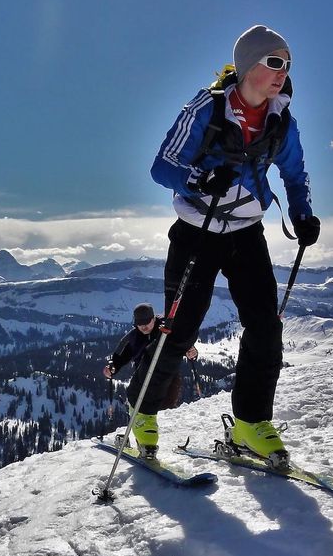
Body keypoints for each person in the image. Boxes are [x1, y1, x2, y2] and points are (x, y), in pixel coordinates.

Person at [142, 24, 321, 467]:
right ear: (247, 66)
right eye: (274, 62)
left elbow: (296, 174)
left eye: (288, 64)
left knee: (265, 323)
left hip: (246, 231)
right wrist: (199, 177)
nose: (283, 72)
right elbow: (162, 165)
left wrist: (302, 216)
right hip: (197, 230)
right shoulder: (208, 107)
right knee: (180, 330)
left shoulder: (281, 121)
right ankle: (142, 412)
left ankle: (250, 424)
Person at [103, 302, 197, 456]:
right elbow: (120, 356)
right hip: (143, 376)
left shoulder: (166, 329)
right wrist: (113, 367)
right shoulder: (133, 338)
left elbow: (182, 343)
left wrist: (191, 351)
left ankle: (144, 437)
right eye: (140, 324)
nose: (144, 327)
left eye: (147, 322)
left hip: (167, 375)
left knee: (162, 403)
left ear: (154, 318)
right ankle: (145, 440)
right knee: (141, 405)